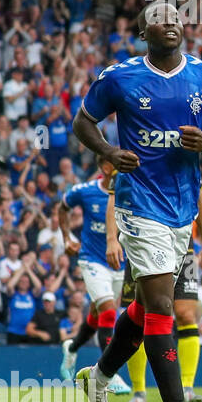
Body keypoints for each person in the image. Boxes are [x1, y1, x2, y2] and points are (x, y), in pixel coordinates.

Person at [72, 2, 202, 402]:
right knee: (164, 305)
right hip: (137, 203)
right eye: (160, 19)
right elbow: (83, 122)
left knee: (148, 309)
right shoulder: (119, 77)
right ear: (144, 33)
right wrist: (109, 153)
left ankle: (99, 378)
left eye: (177, 19)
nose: (171, 23)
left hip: (183, 206)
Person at [109, 186, 202, 402]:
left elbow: (200, 197)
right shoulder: (137, 153)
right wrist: (112, 238)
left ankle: (187, 387)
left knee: (186, 313)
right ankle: (139, 391)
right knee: (141, 313)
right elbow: (113, 195)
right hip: (143, 238)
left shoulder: (185, 156)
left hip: (183, 243)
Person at [56, 159, 123, 382]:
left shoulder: (130, 191)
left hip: (119, 263)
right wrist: (67, 238)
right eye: (118, 164)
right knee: (108, 311)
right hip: (92, 259)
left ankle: (72, 347)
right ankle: (108, 372)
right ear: (105, 167)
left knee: (97, 312)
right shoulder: (85, 191)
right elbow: (63, 207)